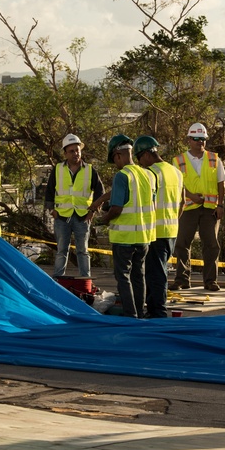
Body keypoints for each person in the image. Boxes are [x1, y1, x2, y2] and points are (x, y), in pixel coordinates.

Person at [96, 135, 155, 318]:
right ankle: (140, 312)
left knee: (123, 277)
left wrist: (103, 219)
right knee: (139, 277)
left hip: (125, 238)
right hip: (144, 237)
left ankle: (130, 316)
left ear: (118, 155)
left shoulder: (122, 176)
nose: (115, 164)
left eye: (114, 159)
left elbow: (116, 209)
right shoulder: (148, 174)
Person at [170, 123, 225, 291]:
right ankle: (182, 279)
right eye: (196, 139)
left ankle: (210, 281)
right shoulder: (178, 161)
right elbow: (176, 185)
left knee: (211, 244)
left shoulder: (214, 159)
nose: (199, 142)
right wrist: (191, 196)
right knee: (182, 243)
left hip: (210, 209)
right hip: (187, 209)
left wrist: (221, 205)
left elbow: (221, 184)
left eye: (202, 139)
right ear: (189, 140)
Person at [135, 135, 183, 318]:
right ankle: (156, 308)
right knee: (159, 271)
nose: (140, 164)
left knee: (156, 274)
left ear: (147, 154)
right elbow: (182, 203)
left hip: (155, 232)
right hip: (171, 230)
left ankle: (158, 311)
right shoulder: (176, 172)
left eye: (140, 159)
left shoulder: (151, 174)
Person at [44, 134, 104, 278]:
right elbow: (49, 190)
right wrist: (52, 210)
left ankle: (85, 280)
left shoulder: (90, 170)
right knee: (61, 250)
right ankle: (58, 280)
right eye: (71, 151)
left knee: (82, 250)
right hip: (62, 216)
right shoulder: (58, 169)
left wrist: (93, 211)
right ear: (65, 153)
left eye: (77, 150)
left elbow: (100, 192)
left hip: (82, 216)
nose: (75, 153)